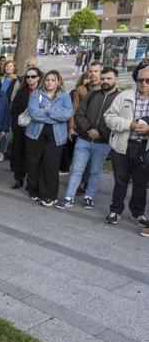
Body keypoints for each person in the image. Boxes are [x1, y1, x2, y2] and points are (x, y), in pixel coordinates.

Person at [56, 66, 120, 210]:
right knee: (77, 169)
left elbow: (118, 120)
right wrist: (88, 129)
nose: (105, 81)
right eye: (103, 78)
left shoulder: (119, 98)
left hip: (103, 143)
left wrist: (100, 132)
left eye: (108, 78)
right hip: (84, 139)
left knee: (96, 170)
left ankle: (88, 197)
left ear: (116, 79)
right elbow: (79, 113)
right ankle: (68, 197)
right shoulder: (92, 95)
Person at [103, 67, 149, 227]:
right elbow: (108, 117)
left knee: (141, 183)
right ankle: (115, 210)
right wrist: (129, 124)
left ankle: (138, 213)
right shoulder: (125, 96)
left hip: (145, 148)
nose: (143, 83)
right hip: (123, 145)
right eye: (140, 80)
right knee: (120, 181)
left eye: (147, 80)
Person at [25, 70, 74, 207]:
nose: (50, 82)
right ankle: (33, 190)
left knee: (50, 165)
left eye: (53, 80)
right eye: (47, 80)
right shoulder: (36, 94)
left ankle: (49, 195)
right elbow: (34, 114)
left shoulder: (64, 96)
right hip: (35, 134)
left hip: (56, 136)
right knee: (34, 163)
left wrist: (48, 111)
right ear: (43, 81)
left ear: (58, 81)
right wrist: (55, 117)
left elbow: (67, 114)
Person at [9, 67, 43, 189]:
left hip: (36, 129)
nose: (30, 79)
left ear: (39, 77)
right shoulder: (21, 92)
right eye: (27, 77)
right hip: (21, 129)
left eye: (33, 76)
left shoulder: (42, 93)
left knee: (33, 156)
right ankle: (19, 179)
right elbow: (14, 110)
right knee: (19, 153)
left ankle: (31, 181)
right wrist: (16, 125)